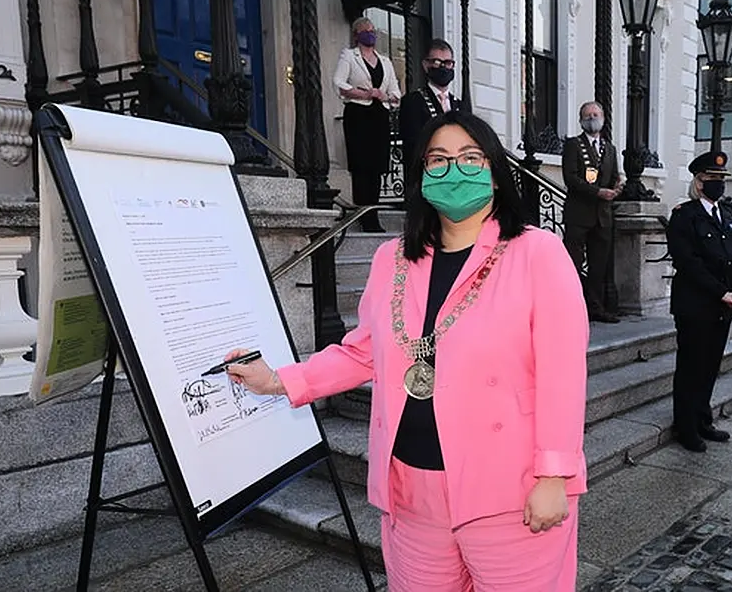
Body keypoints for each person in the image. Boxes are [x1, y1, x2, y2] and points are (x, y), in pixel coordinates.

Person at [224, 111, 589, 590]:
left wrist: (554, 476)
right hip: (412, 487)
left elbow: (563, 372)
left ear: (496, 174)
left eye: (470, 158)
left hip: (510, 489)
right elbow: (362, 352)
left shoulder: (537, 252)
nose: (453, 171)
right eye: (438, 160)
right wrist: (281, 380)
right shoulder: (392, 258)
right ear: (420, 176)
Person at [666, 151, 732, 453]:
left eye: (721, 179)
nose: (719, 184)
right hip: (695, 304)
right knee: (691, 366)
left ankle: (703, 419)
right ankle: (685, 426)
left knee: (711, 365)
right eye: (713, 179)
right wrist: (721, 291)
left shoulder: (729, 214)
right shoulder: (684, 216)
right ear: (699, 182)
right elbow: (688, 262)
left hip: (724, 306)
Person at [333, 16, 402, 232]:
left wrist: (383, 95)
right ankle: (364, 214)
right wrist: (363, 93)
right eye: (365, 30)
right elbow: (339, 82)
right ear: (356, 35)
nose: (370, 33)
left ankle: (373, 213)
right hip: (358, 114)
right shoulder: (349, 56)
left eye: (372, 29)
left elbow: (396, 92)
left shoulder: (386, 62)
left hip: (378, 115)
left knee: (377, 167)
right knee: (361, 165)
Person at [561, 101, 622, 323]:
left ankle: (595, 308)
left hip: (602, 216)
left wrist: (616, 188)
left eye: (595, 114)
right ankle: (570, 307)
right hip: (579, 215)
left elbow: (614, 174)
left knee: (598, 266)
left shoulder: (610, 148)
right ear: (581, 120)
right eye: (587, 115)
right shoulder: (573, 145)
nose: (592, 118)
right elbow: (571, 178)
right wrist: (597, 192)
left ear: (603, 117)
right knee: (573, 264)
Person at [398, 38, 464, 166]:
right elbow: (412, 142)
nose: (443, 67)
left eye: (448, 63)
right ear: (426, 65)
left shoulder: (460, 105)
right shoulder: (413, 102)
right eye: (437, 62)